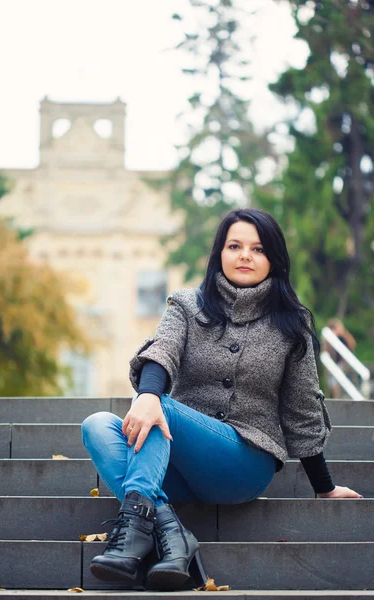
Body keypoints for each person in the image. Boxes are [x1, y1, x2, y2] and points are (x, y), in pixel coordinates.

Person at [81, 208, 362, 592]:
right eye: (235, 246)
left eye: (258, 248)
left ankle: (133, 534)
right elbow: (162, 350)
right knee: (96, 425)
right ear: (220, 253)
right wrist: (148, 393)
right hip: (174, 462)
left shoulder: (292, 323)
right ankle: (167, 528)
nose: (245, 255)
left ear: (273, 260)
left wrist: (325, 486)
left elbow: (302, 412)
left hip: (243, 464)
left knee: (157, 404)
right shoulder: (186, 305)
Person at [324, 318, 357, 398]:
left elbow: (352, 345)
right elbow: (326, 350)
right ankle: (334, 397)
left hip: (341, 364)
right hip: (333, 364)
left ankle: (337, 396)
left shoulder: (343, 337)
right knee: (332, 384)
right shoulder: (328, 337)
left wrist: (344, 334)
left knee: (338, 383)